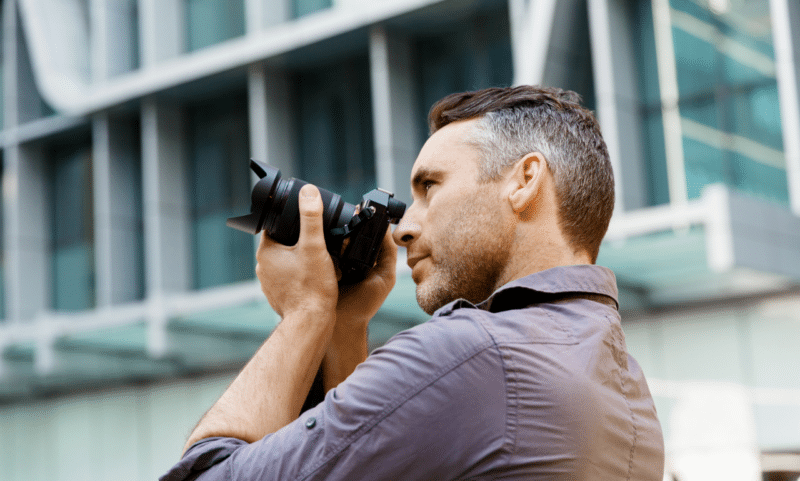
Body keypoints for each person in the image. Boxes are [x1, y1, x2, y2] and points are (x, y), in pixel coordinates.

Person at [161, 85, 665, 480]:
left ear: (524, 180)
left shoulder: (474, 354)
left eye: (430, 187)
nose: (403, 228)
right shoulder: (625, 389)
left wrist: (306, 312)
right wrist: (344, 326)